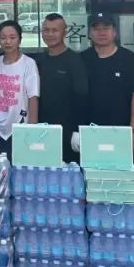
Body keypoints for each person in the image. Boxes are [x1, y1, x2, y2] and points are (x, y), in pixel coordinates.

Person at [79, 13, 134, 148]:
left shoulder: (128, 58)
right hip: (90, 129)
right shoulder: (82, 59)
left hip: (122, 129)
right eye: (96, 29)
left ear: (114, 32)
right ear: (89, 33)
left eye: (106, 28)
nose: (101, 32)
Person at [36, 13, 89, 162]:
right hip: (43, 130)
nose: (50, 34)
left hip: (68, 132)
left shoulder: (75, 61)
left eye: (55, 30)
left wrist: (77, 130)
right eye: (46, 30)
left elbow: (82, 98)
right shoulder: (40, 60)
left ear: (64, 32)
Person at [0, 20, 39, 159]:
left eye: (12, 37)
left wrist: (32, 129)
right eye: (3, 38)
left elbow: (33, 96)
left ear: (20, 39)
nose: (7, 42)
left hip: (18, 123)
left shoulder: (28, 63)